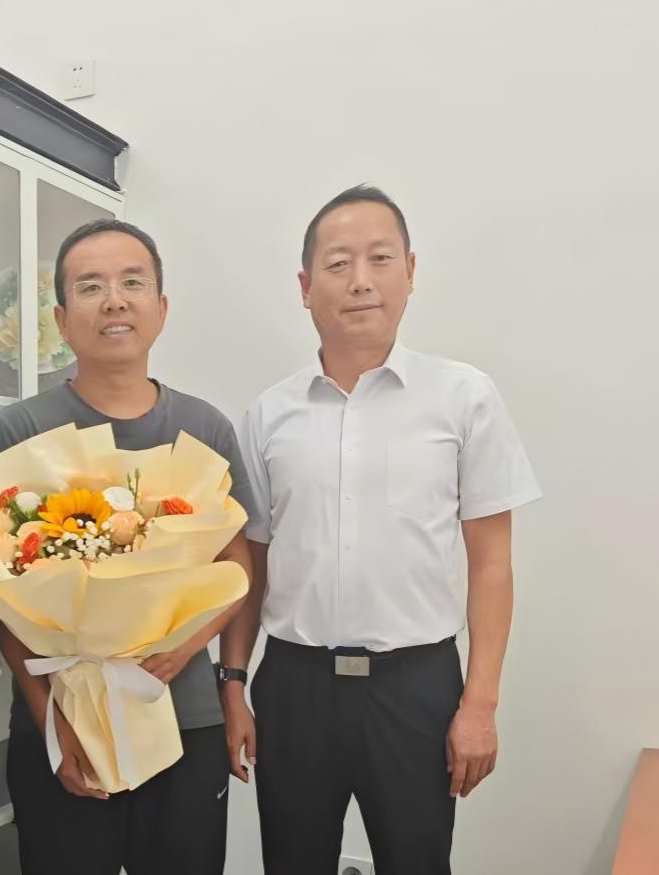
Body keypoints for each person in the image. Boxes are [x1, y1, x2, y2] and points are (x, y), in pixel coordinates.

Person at [226, 185, 542, 874]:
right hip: (295, 685)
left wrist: (480, 703)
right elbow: (250, 564)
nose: (361, 281)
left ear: (411, 272)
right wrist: (233, 684)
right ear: (305, 287)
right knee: (292, 862)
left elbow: (492, 564)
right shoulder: (268, 415)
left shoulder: (463, 398)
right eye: (338, 264)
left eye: (379, 259)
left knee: (418, 862)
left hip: (416, 685)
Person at [0, 218, 254, 875]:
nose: (114, 301)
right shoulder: (19, 430)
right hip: (63, 723)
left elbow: (238, 566)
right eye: (90, 286)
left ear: (160, 308)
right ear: (60, 318)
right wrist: (52, 720)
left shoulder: (204, 428)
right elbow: (0, 596)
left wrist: (188, 650)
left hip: (183, 720)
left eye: (133, 283)